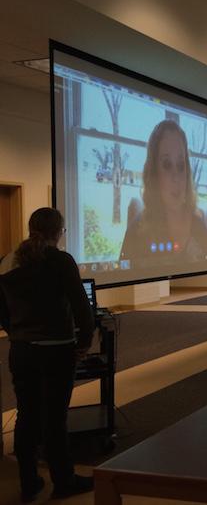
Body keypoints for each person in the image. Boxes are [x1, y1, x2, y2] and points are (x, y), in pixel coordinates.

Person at [0, 208, 95, 502]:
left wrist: (15, 332)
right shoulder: (60, 260)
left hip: (22, 350)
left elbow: (2, 310)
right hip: (57, 350)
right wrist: (85, 340)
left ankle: (29, 482)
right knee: (55, 418)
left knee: (27, 414)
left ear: (31, 228)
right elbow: (82, 308)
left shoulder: (6, 262)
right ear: (58, 232)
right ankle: (63, 480)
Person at [120, 119, 207, 263]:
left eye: (181, 165)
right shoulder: (137, 231)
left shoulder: (199, 227)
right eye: (167, 164)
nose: (176, 177)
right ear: (154, 172)